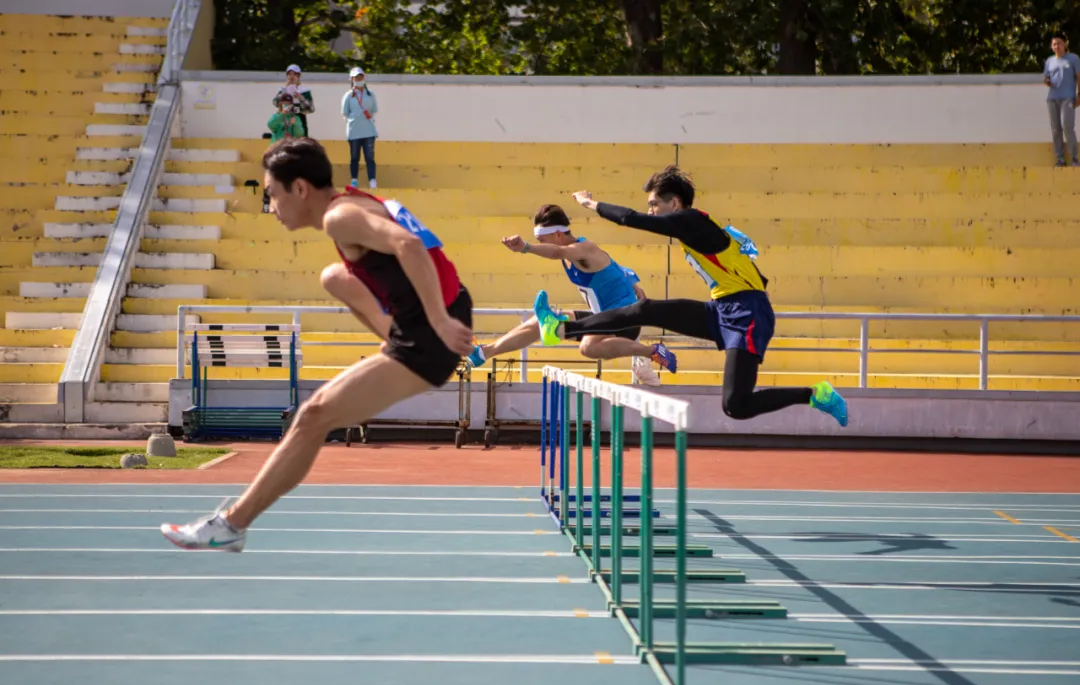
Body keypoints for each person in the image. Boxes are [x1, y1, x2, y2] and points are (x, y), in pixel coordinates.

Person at [161, 137, 474, 552]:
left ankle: (232, 524)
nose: (271, 207)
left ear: (301, 189)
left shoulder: (339, 218)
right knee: (333, 276)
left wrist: (439, 320)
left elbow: (410, 245)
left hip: (431, 334)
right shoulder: (353, 203)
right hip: (423, 323)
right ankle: (390, 340)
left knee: (313, 416)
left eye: (272, 195)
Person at [532, 165, 849, 427]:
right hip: (722, 309)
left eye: (654, 203)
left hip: (748, 314)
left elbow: (632, 219)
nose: (650, 210)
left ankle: (815, 394)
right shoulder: (689, 227)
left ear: (675, 203)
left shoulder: (693, 221)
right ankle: (561, 328)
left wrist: (590, 204)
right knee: (645, 308)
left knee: (736, 405)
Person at [466, 204, 671, 386]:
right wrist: (633, 281)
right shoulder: (575, 254)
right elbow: (612, 264)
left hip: (626, 320)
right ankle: (484, 353)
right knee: (538, 323)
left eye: (542, 240)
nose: (541, 245)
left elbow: (558, 252)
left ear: (558, 235)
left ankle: (652, 352)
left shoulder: (583, 249)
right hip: (602, 319)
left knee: (587, 347)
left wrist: (526, 247)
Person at [1043, 31, 1080, 167]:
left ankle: (1074, 158)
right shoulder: (1049, 61)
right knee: (1055, 129)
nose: (1056, 46)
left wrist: (1079, 94)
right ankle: (1060, 159)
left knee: (1067, 127)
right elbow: (1046, 78)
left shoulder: (1073, 59)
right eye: (1054, 44)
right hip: (1052, 98)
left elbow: (1079, 76)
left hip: (1068, 98)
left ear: (1065, 44)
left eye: (1059, 43)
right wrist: (1047, 81)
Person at [342, 66, 379, 189]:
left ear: (364, 78)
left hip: (368, 131)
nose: (358, 79)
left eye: (360, 77)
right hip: (354, 132)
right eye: (355, 77)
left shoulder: (370, 94)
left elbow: (373, 110)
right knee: (354, 157)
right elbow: (345, 112)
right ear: (351, 79)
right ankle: (354, 180)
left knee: (369, 157)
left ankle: (372, 180)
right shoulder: (348, 95)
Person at [274, 64, 315, 138]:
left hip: (299, 121)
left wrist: (300, 98)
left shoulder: (304, 90)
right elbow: (275, 103)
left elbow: (310, 109)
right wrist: (284, 92)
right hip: (285, 122)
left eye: (295, 74)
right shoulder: (283, 89)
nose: (292, 76)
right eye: (289, 74)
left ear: (299, 76)